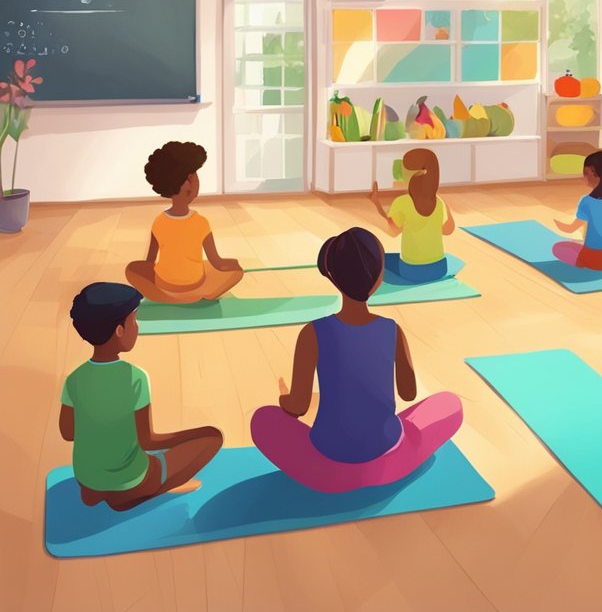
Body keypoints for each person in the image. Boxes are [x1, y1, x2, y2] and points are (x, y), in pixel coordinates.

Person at [250, 228, 463, 492]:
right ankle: (379, 465)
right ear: (378, 278)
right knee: (450, 404)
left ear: (334, 277)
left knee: (262, 420)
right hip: (389, 459)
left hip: (328, 467)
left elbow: (297, 407)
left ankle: (346, 474)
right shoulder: (393, 329)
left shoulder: (312, 333)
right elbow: (408, 394)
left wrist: (284, 396)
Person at [59, 282, 223, 511]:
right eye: (134, 321)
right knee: (212, 438)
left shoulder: (74, 379)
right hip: (132, 480)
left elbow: (68, 432)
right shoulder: (135, 377)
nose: (137, 327)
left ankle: (97, 491)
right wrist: (193, 434)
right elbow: (148, 441)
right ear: (119, 330)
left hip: (86, 480)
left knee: (133, 449)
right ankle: (138, 493)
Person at [125, 142, 244, 304]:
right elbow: (217, 262)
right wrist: (232, 263)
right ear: (188, 183)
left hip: (163, 284)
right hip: (195, 284)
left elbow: (149, 262)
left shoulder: (158, 221)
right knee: (234, 269)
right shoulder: (201, 223)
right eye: (195, 174)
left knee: (136, 268)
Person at [370, 148, 455, 284]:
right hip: (439, 268)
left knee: (381, 260)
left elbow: (392, 231)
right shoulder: (439, 202)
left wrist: (375, 205)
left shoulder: (402, 203)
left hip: (412, 271)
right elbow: (449, 230)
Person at [553, 145, 602, 271]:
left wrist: (560, 225)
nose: (583, 177)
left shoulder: (587, 201)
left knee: (559, 248)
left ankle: (585, 261)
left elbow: (570, 229)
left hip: (593, 259)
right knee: (577, 244)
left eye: (586, 173)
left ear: (598, 175)